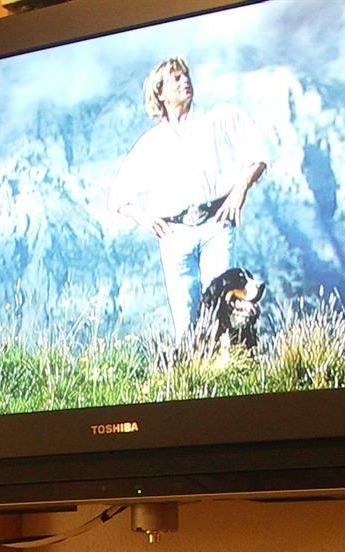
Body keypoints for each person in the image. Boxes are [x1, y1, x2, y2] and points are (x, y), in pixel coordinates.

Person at [109, 57, 269, 340]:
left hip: (216, 225)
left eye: (186, 75)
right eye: (176, 78)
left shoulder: (215, 119)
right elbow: (118, 197)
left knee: (223, 309)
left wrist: (240, 188)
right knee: (185, 317)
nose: (185, 81)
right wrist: (144, 218)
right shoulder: (152, 142)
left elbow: (258, 154)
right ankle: (192, 365)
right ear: (160, 93)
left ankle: (229, 362)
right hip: (174, 235)